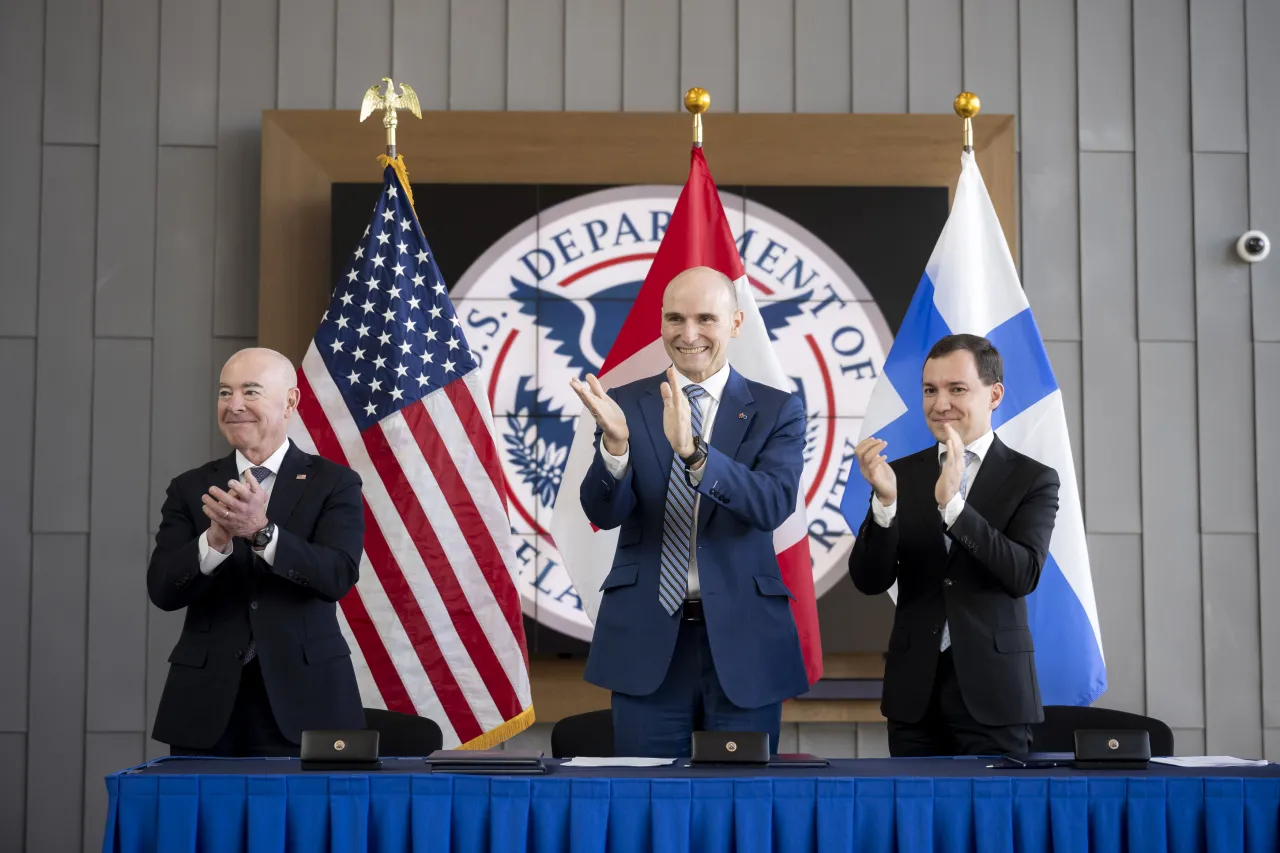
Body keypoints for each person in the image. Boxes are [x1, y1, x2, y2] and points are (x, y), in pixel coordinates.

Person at [569, 266, 809, 758]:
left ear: (736, 323)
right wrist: (615, 449)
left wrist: (697, 455)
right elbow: (603, 511)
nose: (689, 334)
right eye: (675, 319)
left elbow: (772, 504)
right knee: (646, 808)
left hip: (745, 643)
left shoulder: (776, 409)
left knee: (742, 812)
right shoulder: (626, 404)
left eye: (706, 318)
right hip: (647, 639)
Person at [848, 333, 1060, 757]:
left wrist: (955, 510)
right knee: (913, 822)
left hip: (996, 696)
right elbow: (870, 580)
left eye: (956, 389)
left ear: (994, 395)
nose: (939, 403)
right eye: (930, 390)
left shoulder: (1032, 478)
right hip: (914, 696)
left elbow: (1022, 574)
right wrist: (886, 504)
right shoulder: (901, 475)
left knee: (995, 823)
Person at [147, 347, 365, 756]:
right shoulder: (190, 487)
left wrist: (261, 533)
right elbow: (162, 589)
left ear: (290, 401)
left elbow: (336, 575)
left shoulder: (334, 483)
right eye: (224, 392)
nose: (234, 405)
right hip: (205, 706)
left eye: (250, 392)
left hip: (307, 701)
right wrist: (213, 544)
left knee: (304, 821)